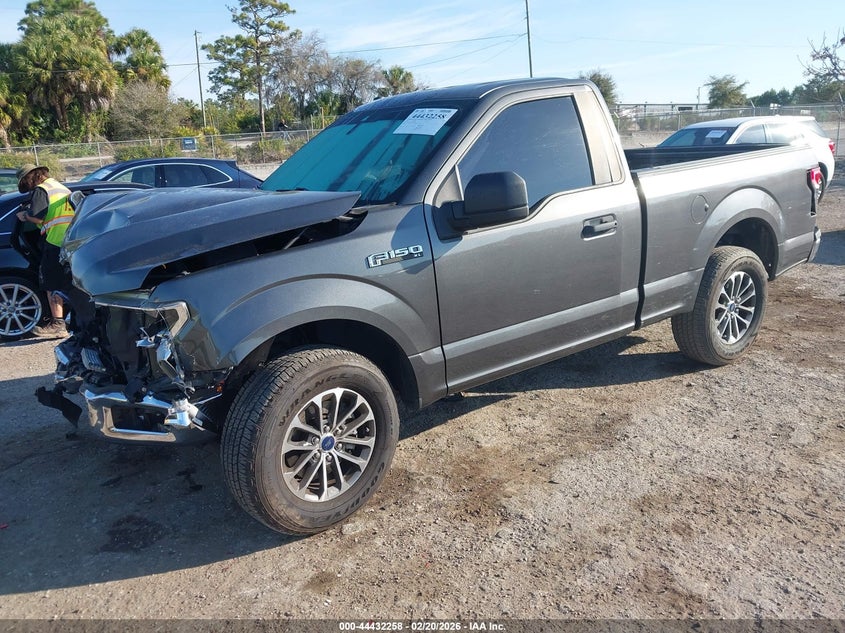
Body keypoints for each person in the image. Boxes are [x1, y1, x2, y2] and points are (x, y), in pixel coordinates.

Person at [15, 163, 74, 338]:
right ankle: (78, 320)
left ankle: (58, 324)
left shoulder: (41, 190)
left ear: (31, 177)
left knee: (51, 283)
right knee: (72, 282)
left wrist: (24, 215)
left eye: (25, 181)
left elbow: (37, 216)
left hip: (55, 240)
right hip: (72, 239)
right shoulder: (59, 187)